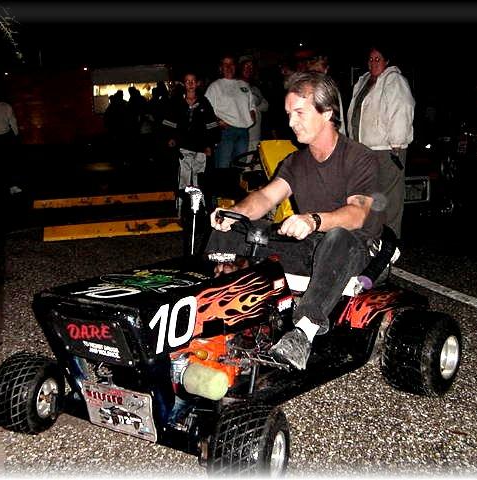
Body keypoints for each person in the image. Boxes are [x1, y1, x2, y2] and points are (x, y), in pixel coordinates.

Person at [205, 71, 383, 370]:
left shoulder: (359, 157)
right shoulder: (295, 161)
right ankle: (213, 302)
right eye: (289, 114)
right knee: (235, 227)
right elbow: (265, 198)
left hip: (355, 249)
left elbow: (357, 214)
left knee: (337, 236)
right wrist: (234, 214)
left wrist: (313, 220)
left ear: (327, 113)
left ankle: (303, 333)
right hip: (310, 243)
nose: (291, 122)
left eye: (299, 113)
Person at [347, 44, 415, 239]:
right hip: (364, 149)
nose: (373, 62)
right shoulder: (364, 81)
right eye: (371, 59)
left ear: (387, 61)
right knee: (370, 197)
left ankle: (390, 243)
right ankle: (371, 239)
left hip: (388, 149)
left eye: (378, 59)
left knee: (389, 198)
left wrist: (397, 144)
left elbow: (402, 110)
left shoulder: (394, 80)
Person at [161, 71, 219, 215]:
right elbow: (168, 123)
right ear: (184, 84)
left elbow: (211, 125)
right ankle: (181, 211)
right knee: (184, 181)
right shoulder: (176, 102)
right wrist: (170, 138)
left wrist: (210, 145)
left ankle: (201, 212)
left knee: (199, 181)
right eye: (187, 81)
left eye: (193, 81)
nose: (191, 84)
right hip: (183, 149)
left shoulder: (204, 102)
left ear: (197, 83)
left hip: (200, 149)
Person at [205, 54, 256, 169]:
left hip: (243, 131)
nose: (229, 67)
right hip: (225, 131)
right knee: (223, 166)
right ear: (221, 68)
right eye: (225, 64)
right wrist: (217, 121)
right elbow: (206, 109)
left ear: (235, 66)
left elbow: (251, 105)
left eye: (231, 64)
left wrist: (252, 115)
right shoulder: (215, 86)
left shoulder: (243, 85)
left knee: (240, 166)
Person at [238, 55, 269, 158]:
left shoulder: (255, 88)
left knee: (254, 163)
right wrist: (254, 104)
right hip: (242, 136)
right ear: (240, 67)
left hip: (256, 134)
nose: (249, 69)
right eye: (246, 66)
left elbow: (266, 105)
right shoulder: (234, 86)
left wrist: (253, 106)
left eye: (251, 67)